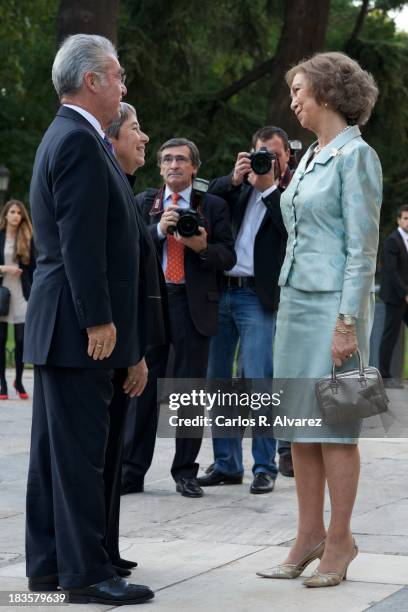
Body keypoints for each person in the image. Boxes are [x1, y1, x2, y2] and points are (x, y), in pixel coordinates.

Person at [25, 34, 154, 605]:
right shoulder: (77, 140)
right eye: (119, 76)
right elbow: (80, 245)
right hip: (80, 328)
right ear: (93, 81)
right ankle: (86, 575)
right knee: (77, 456)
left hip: (62, 323)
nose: (124, 85)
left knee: (56, 455)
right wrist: (101, 321)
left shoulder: (76, 135)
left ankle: (50, 566)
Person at [256, 52, 382, 587]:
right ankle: (308, 533)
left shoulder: (358, 157)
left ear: (327, 94)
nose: (294, 102)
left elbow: (363, 248)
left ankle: (341, 540)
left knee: (336, 429)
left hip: (337, 306)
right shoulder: (310, 157)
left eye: (299, 91)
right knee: (300, 429)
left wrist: (347, 322)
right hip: (296, 302)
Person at [121, 137, 236, 498]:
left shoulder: (212, 206)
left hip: (193, 304)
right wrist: (157, 230)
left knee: (188, 392)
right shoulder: (144, 203)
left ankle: (185, 470)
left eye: (181, 160)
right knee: (142, 388)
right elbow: (128, 247)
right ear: (159, 168)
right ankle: (131, 470)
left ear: (194, 168)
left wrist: (201, 248)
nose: (174, 165)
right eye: (167, 159)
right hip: (153, 302)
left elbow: (228, 256)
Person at [198, 127, 292, 495]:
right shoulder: (235, 190)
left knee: (258, 383)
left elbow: (289, 231)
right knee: (218, 382)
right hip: (222, 292)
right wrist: (234, 178)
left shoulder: (289, 196)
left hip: (257, 297)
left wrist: (268, 187)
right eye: (259, 153)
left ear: (285, 158)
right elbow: (205, 201)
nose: (265, 160)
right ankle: (226, 464)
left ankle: (265, 466)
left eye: (273, 154)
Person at [103, 102, 166, 569]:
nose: (144, 138)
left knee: (110, 453)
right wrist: (131, 353)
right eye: (136, 129)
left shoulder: (126, 188)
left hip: (130, 342)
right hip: (112, 346)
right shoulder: (121, 191)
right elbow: (114, 279)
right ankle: (96, 554)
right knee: (104, 454)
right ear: (113, 138)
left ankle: (107, 548)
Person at [0, 200, 35, 400]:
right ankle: (2, 384)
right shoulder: (0, 236)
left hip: (22, 295)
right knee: (1, 341)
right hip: (2, 295)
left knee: (22, 341)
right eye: (12, 212)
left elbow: (34, 269)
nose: (15, 215)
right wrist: (5, 269)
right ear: (5, 215)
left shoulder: (28, 238)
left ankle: (19, 381)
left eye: (18, 213)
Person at [379, 205, 408, 387]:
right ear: (398, 220)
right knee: (390, 336)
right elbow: (391, 271)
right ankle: (384, 376)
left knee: (392, 335)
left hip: (405, 295)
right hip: (395, 297)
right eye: (405, 218)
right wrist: (405, 293)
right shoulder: (392, 240)